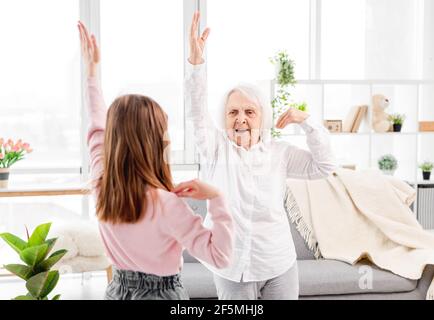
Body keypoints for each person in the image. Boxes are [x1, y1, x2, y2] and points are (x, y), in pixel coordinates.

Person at [185, 11, 336, 300]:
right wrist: (195, 63)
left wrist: (306, 121)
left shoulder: (279, 153)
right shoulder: (215, 149)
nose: (241, 118)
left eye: (249, 111)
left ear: (262, 117)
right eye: (233, 112)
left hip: (278, 264)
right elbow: (194, 110)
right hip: (231, 268)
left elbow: (325, 166)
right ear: (224, 118)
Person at [77, 21, 233, 300]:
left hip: (116, 291)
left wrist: (91, 75)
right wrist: (217, 198)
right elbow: (219, 257)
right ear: (154, 142)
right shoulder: (167, 204)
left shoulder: (102, 187)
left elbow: (97, 129)